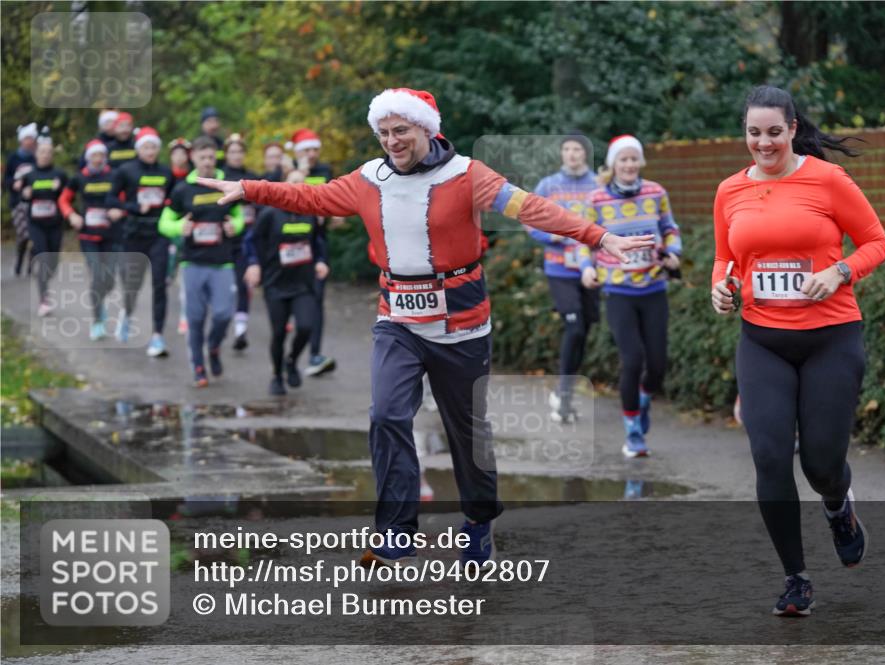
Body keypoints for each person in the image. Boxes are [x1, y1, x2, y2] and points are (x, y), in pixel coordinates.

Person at [196, 87, 651, 566]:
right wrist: (250, 188)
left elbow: (531, 207)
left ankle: (477, 522)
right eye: (384, 133)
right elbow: (312, 198)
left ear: (426, 129)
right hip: (398, 319)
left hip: (462, 322)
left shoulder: (468, 175)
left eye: (402, 131)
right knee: (387, 414)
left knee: (468, 434)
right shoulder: (368, 179)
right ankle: (396, 529)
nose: (392, 141)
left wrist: (598, 237)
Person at [711, 85, 885, 617]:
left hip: (830, 338)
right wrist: (721, 288)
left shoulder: (827, 179)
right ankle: (796, 578)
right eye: (752, 132)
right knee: (768, 457)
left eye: (772, 132)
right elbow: (726, 259)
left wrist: (839, 271)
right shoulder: (729, 191)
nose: (762, 143)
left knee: (820, 464)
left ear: (792, 129)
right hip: (762, 340)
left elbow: (877, 242)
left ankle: (838, 506)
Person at [578, 135, 682, 458]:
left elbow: (670, 228)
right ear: (613, 164)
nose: (629, 165)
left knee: (658, 364)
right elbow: (582, 237)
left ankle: (643, 398)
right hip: (619, 289)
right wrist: (585, 267)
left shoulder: (656, 192)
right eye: (623, 159)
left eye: (634, 159)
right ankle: (633, 432)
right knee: (633, 359)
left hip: (653, 287)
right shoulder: (596, 199)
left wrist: (675, 252)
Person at [158, 136, 245, 387]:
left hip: (222, 263)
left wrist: (234, 226)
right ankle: (198, 367)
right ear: (193, 158)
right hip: (193, 263)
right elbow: (164, 223)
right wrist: (178, 227)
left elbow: (238, 216)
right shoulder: (183, 188)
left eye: (210, 157)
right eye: (202, 157)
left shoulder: (226, 183)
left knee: (223, 314)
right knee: (195, 318)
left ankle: (214, 347)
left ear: (216, 157)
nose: (207, 162)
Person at [528, 134, 600, 423]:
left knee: (586, 327)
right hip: (560, 268)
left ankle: (565, 389)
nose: (572, 155)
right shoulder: (548, 185)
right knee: (575, 327)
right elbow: (529, 218)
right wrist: (551, 236)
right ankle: (564, 393)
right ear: (561, 155)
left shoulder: (597, 184)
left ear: (585, 154)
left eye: (577, 149)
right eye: (567, 149)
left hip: (591, 269)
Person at [243, 169, 328, 395]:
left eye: (302, 183)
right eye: (293, 182)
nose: (298, 186)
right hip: (276, 282)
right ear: (284, 185)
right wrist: (253, 264)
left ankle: (292, 361)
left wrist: (320, 260)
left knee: (306, 327)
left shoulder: (312, 212)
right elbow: (250, 241)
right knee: (279, 333)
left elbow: (318, 241)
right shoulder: (270, 214)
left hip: (303, 283)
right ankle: (277, 375)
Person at [106, 126, 176, 354]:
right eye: (146, 146)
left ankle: (157, 336)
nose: (150, 151)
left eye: (154, 147)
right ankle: (126, 314)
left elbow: (175, 202)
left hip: (159, 235)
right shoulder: (126, 171)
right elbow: (110, 200)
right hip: (133, 235)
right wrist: (134, 207)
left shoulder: (166, 173)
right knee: (132, 285)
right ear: (138, 148)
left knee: (159, 285)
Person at [287, 128, 337, 376]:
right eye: (307, 150)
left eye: (315, 149)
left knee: (316, 300)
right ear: (298, 153)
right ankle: (288, 355)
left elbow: (335, 202)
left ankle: (315, 353)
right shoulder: (288, 172)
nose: (312, 154)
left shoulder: (325, 172)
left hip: (317, 243)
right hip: (287, 245)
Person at [58, 140, 117, 340]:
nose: (98, 159)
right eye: (94, 155)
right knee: (97, 276)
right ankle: (97, 319)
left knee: (108, 280)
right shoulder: (79, 178)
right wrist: (71, 215)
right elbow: (63, 200)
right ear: (88, 157)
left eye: (101, 155)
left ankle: (100, 303)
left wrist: (119, 210)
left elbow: (125, 197)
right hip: (88, 236)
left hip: (111, 235)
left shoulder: (114, 175)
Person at [20, 134, 68, 317]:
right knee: (43, 256)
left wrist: (60, 190)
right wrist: (25, 194)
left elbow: (67, 197)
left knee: (53, 262)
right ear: (36, 154)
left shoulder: (60, 175)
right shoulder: (29, 175)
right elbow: (19, 196)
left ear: (52, 155)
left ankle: (43, 281)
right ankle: (44, 299)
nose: (45, 155)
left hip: (55, 224)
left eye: (49, 152)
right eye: (42, 152)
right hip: (36, 224)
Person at [222, 133, 260, 351]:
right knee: (228, 286)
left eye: (240, 152)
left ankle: (240, 329)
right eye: (232, 152)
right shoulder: (222, 177)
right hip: (224, 239)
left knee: (244, 282)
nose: (236, 156)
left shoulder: (252, 177)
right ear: (226, 154)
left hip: (247, 239)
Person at [167, 138, 193, 335]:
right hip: (170, 228)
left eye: (183, 153)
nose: (180, 157)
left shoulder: (194, 177)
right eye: (176, 153)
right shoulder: (165, 175)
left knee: (186, 275)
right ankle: (168, 273)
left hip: (190, 228)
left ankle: (186, 317)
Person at [5, 123, 37, 276]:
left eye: (31, 138)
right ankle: (19, 261)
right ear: (21, 140)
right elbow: (5, 180)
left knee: (36, 236)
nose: (29, 141)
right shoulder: (13, 158)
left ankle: (31, 267)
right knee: (24, 236)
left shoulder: (37, 157)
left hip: (35, 202)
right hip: (18, 202)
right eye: (27, 138)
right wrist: (13, 184)